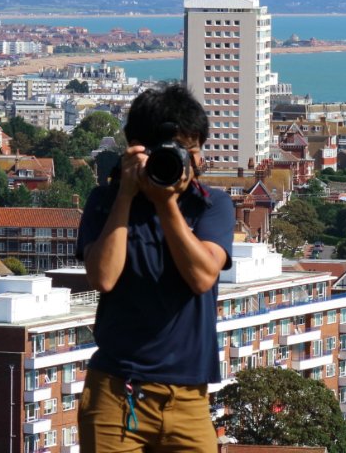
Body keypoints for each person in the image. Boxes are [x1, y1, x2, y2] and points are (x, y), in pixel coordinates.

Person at [76, 83, 234, 452]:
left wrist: (167, 205)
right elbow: (102, 277)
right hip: (117, 393)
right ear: (137, 151)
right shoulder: (106, 201)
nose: (182, 161)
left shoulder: (210, 206)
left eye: (190, 150)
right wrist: (126, 195)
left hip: (190, 398)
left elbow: (202, 276)